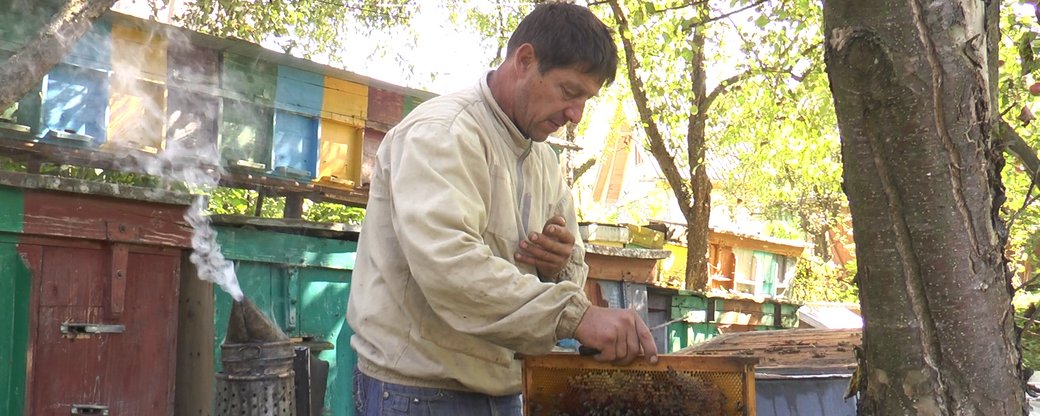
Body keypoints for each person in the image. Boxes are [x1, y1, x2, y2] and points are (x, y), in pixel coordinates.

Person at [346, 3, 658, 415]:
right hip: (420, 392)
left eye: (586, 99)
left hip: (507, 390)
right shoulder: (441, 134)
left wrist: (558, 265)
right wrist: (574, 316)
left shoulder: (544, 161)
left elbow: (576, 269)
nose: (575, 115)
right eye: (570, 92)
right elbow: (450, 269)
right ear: (525, 60)